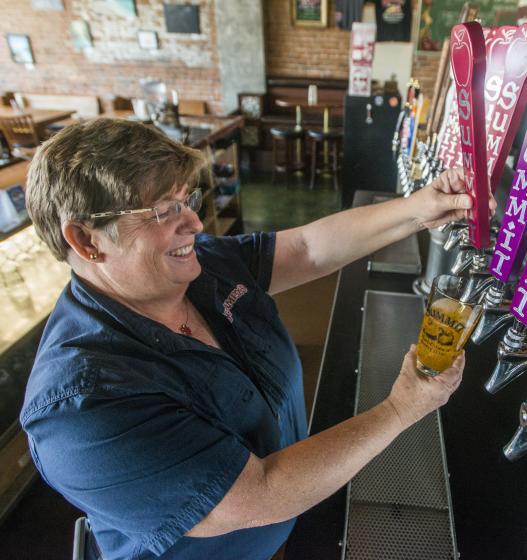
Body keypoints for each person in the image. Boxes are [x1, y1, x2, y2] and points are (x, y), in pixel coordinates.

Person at [20, 118, 483, 559]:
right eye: (163, 210)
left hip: (283, 528)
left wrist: (419, 210)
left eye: (186, 200)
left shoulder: (198, 268)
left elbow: (306, 249)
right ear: (85, 240)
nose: (195, 225)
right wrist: (402, 408)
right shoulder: (82, 407)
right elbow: (261, 491)